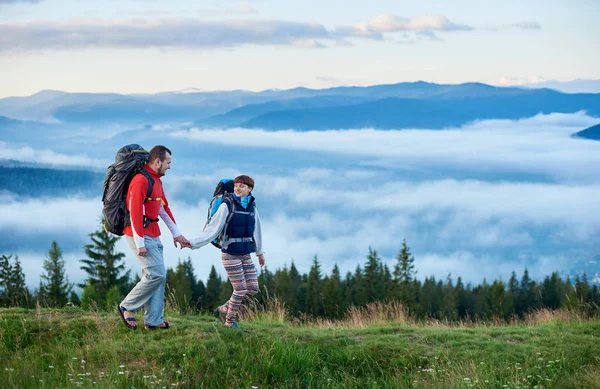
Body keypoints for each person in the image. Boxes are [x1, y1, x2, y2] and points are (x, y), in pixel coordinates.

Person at [117, 145, 190, 331]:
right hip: (139, 234)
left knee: (159, 277)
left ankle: (154, 320)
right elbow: (134, 211)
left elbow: (163, 208)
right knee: (155, 274)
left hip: (153, 232)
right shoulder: (141, 180)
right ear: (157, 161)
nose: (170, 167)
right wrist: (139, 243)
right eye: (168, 163)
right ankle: (127, 306)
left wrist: (177, 234)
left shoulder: (156, 181)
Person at [190, 175, 265, 331]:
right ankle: (229, 322)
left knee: (253, 288)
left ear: (249, 189)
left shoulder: (252, 206)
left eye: (242, 186)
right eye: (236, 185)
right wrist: (193, 243)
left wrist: (260, 252)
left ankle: (224, 309)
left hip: (245, 253)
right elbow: (213, 228)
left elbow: (257, 228)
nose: (237, 188)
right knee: (240, 289)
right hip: (230, 252)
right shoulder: (227, 205)